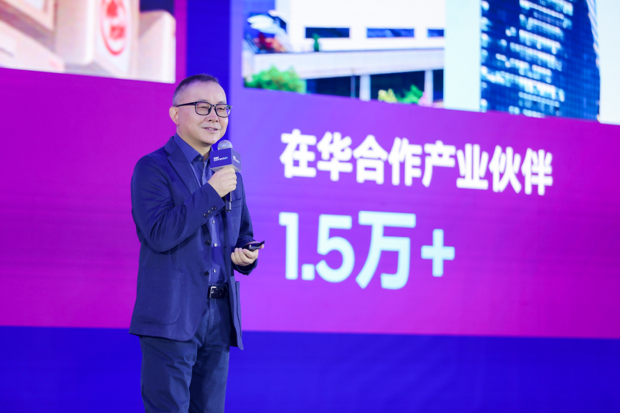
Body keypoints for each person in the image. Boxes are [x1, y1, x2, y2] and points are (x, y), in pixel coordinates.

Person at [129, 74, 262, 413]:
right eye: (203, 107)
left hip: (220, 314)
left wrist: (245, 255)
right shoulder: (153, 167)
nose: (214, 116)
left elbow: (242, 233)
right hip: (171, 314)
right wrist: (211, 192)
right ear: (176, 114)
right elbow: (160, 233)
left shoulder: (229, 174)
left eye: (221, 108)